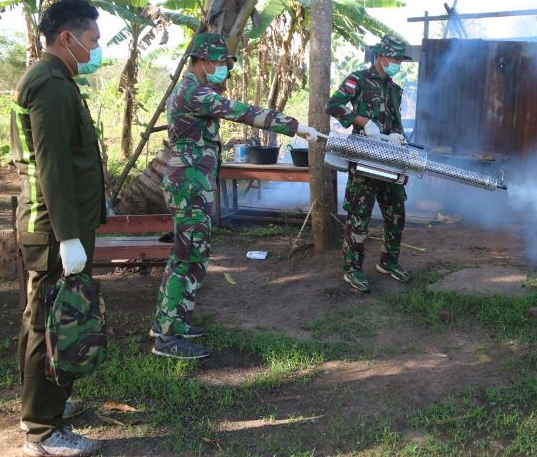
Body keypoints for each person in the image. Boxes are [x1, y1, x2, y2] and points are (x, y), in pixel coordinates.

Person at [150, 33, 318, 359]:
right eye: (220, 62)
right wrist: (293, 126)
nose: (224, 68)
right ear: (202, 61)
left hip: (191, 183)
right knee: (188, 258)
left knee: (187, 255)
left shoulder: (196, 89)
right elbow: (238, 110)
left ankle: (170, 322)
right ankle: (168, 338)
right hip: (188, 185)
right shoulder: (192, 91)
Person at [10, 0, 105, 456]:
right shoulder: (48, 83)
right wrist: (68, 235)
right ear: (66, 38)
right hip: (52, 226)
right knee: (50, 321)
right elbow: (52, 165)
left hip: (61, 223)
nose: (95, 50)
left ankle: (45, 408)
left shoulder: (58, 79)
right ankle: (42, 432)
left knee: (45, 319)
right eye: (91, 41)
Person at [326, 35, 413, 293]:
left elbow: (394, 121)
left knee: (396, 213)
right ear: (381, 57)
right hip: (364, 158)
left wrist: (399, 137)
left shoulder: (394, 88)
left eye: (400, 59)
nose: (398, 63)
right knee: (359, 217)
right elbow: (334, 105)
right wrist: (362, 121)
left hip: (390, 158)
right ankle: (352, 269)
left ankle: (388, 262)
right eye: (395, 59)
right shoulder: (358, 79)